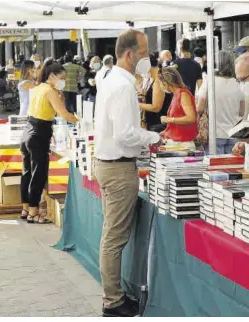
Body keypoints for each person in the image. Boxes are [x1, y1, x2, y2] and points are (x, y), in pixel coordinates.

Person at [94, 29, 162, 317]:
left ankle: (114, 296)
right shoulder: (121, 85)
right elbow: (125, 133)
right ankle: (113, 301)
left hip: (112, 164)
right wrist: (154, 138)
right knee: (114, 237)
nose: (147, 57)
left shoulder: (113, 80)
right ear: (130, 53)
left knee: (112, 234)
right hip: (118, 167)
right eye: (144, 52)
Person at [20, 61, 78, 224]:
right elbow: (64, 114)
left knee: (27, 172)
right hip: (39, 134)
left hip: (28, 131)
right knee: (39, 174)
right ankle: (34, 212)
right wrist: (82, 123)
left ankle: (26, 208)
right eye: (62, 78)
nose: (63, 81)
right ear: (52, 76)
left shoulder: (37, 88)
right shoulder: (50, 91)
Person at [197, 50, 245, 154]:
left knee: (215, 168)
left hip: (214, 133)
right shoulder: (238, 83)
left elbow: (200, 108)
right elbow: (241, 112)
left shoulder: (210, 81)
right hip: (234, 134)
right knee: (230, 168)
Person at [158, 67, 198, 150]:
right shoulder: (176, 94)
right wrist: (165, 133)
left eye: (160, 83)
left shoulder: (183, 94)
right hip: (176, 143)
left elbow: (191, 118)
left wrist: (169, 119)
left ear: (165, 83)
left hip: (182, 145)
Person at [138, 54, 166, 132]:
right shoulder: (153, 79)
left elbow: (156, 107)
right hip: (154, 124)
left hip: (158, 125)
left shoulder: (158, 81)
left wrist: (135, 104)